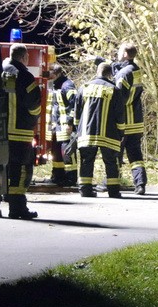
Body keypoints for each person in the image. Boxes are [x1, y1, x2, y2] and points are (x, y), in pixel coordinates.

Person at [0, 43, 41, 219]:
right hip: (19, 133)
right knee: (19, 170)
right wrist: (31, 121)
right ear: (24, 58)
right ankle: (17, 208)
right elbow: (35, 105)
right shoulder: (24, 76)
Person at [76, 62, 126, 198]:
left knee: (86, 161)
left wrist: (77, 130)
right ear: (110, 74)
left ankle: (85, 190)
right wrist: (121, 132)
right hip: (108, 134)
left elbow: (77, 112)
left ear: (97, 72)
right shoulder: (114, 90)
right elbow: (120, 114)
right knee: (111, 162)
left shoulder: (83, 87)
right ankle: (113, 191)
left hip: (86, 133)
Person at [113, 41, 147, 195]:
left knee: (115, 152)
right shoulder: (136, 70)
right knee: (135, 154)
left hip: (124, 121)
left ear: (125, 54)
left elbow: (119, 98)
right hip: (136, 121)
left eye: (120, 51)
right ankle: (140, 184)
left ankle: (112, 182)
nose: (118, 53)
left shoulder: (124, 74)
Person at [47, 64, 78, 187]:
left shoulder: (67, 85)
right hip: (56, 126)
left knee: (67, 152)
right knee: (56, 152)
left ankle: (71, 178)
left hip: (66, 126)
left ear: (57, 73)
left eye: (50, 74)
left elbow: (75, 104)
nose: (48, 76)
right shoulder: (54, 85)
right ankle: (57, 176)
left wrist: (70, 123)